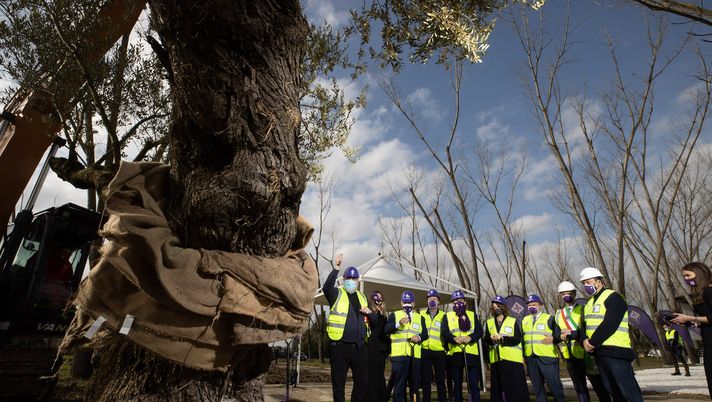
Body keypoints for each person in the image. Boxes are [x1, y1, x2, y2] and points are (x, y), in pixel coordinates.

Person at [579, 266, 643, 402]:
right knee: (614, 392)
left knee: (629, 392)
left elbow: (611, 323)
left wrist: (592, 342)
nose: (586, 286)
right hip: (599, 352)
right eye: (583, 283)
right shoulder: (589, 303)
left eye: (588, 282)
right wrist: (584, 339)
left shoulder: (614, 297)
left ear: (599, 281)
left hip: (616, 351)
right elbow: (584, 325)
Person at [323, 254, 371, 402]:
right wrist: (336, 268)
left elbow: (366, 319)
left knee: (362, 382)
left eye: (353, 278)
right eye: (348, 278)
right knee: (339, 385)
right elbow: (326, 288)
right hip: (340, 346)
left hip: (359, 347)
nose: (351, 281)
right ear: (344, 280)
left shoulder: (363, 297)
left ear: (357, 280)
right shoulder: (336, 294)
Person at [556, 281, 610, 402]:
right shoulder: (558, 313)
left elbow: (588, 328)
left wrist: (572, 333)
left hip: (586, 353)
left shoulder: (584, 309)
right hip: (569, 354)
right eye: (563, 293)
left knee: (598, 384)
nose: (566, 295)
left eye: (569, 293)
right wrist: (560, 335)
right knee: (579, 387)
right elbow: (556, 333)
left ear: (574, 294)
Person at [671, 261, 712, 397]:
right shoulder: (703, 293)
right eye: (684, 277)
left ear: (699, 272)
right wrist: (692, 322)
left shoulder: (708, 291)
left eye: (688, 275)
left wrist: (691, 318)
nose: (686, 279)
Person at [483, 295, 530, 402]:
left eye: (498, 305)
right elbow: (485, 340)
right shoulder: (488, 323)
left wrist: (503, 339)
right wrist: (491, 339)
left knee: (515, 389)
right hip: (496, 360)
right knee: (498, 390)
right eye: (494, 306)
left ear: (503, 307)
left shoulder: (512, 321)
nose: (495, 307)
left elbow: (517, 339)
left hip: (512, 360)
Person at [522, 294, 565, 402]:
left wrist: (554, 339)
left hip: (548, 359)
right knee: (538, 389)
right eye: (529, 305)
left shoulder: (550, 318)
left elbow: (559, 335)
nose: (532, 307)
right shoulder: (524, 320)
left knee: (555, 387)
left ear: (540, 305)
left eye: (534, 304)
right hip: (531, 359)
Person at [385, 290, 428, 402]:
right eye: (405, 302)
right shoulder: (395, 315)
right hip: (399, 356)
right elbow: (386, 329)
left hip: (415, 356)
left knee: (415, 386)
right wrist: (398, 323)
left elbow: (425, 334)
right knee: (399, 385)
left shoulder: (420, 317)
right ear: (401, 303)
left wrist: (418, 337)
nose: (407, 305)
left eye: (409, 302)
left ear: (413, 304)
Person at [443, 289, 482, 402]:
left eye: (460, 300)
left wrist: (470, 338)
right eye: (456, 301)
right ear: (452, 303)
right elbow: (444, 333)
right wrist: (454, 339)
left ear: (464, 302)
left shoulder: (472, 315)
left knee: (474, 384)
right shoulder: (448, 316)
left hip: (471, 353)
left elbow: (479, 331)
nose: (458, 302)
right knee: (457, 384)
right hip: (456, 353)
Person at [419, 289, 450, 402]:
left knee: (441, 380)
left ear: (438, 301)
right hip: (424, 351)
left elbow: (446, 332)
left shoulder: (444, 315)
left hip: (439, 351)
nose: (432, 301)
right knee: (426, 381)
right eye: (430, 299)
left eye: (434, 299)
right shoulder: (421, 314)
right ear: (427, 301)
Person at [367, 290, 390, 402]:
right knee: (373, 376)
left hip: (382, 350)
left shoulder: (384, 315)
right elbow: (375, 324)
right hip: (373, 348)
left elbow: (385, 334)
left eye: (381, 298)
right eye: (376, 298)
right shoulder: (372, 314)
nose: (379, 300)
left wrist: (388, 349)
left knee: (379, 375)